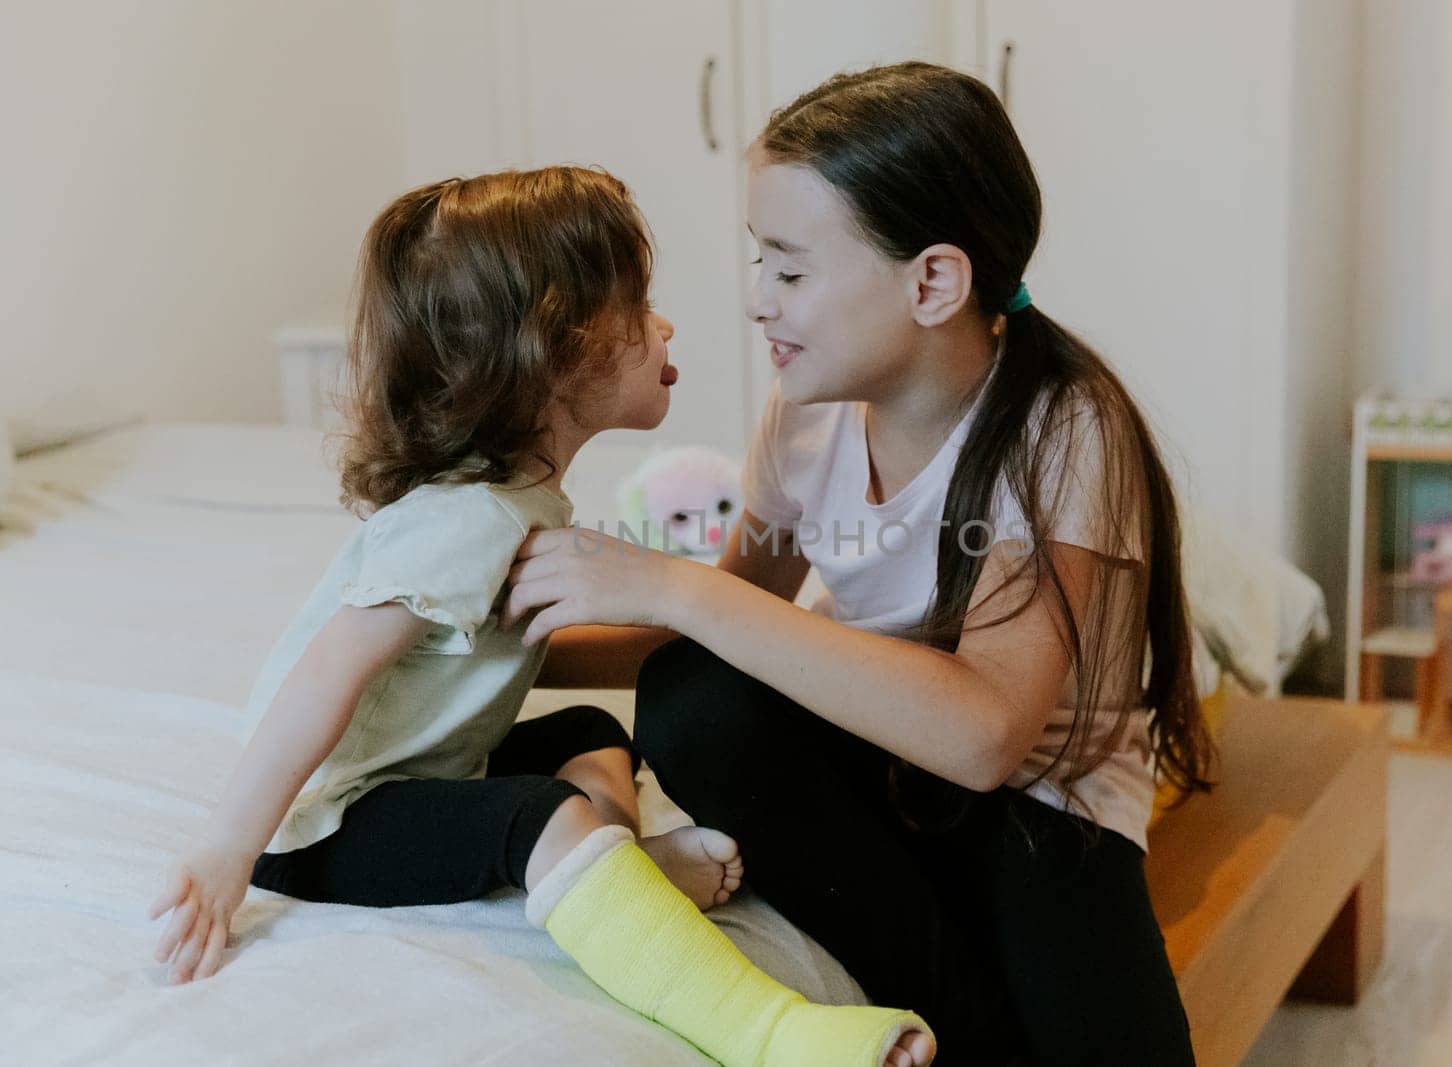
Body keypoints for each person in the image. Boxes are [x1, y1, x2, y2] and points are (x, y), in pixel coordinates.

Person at [147, 167, 935, 1067]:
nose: (665, 324)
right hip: (329, 825)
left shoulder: (517, 498)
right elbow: (332, 666)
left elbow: (525, 643)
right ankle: (770, 1030)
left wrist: (688, 606)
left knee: (594, 731)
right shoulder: (466, 517)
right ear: (556, 353)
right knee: (541, 813)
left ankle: (618, 871)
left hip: (423, 770)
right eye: (638, 307)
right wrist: (226, 851)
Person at [504, 64, 1211, 1066]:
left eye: (789, 270)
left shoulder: (1061, 426)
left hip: (1039, 800)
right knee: (694, 696)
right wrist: (512, 649)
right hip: (876, 756)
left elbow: (985, 737)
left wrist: (670, 581)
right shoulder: (807, 413)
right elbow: (727, 619)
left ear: (932, 281)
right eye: (760, 263)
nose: (758, 302)